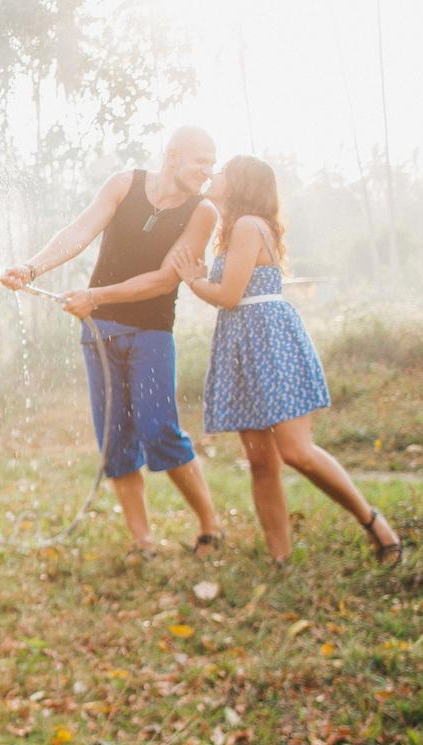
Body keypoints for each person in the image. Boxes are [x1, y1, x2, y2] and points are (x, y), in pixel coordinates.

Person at [0, 126, 223, 557]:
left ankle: (211, 527)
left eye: (212, 164)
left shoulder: (203, 211)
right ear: (173, 155)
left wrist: (96, 296)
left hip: (152, 332)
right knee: (115, 438)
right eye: (201, 161)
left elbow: (163, 279)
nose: (208, 172)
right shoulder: (125, 184)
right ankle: (143, 542)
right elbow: (79, 231)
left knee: (159, 429)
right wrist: (30, 269)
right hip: (99, 332)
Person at [170, 155, 403, 565]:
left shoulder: (246, 226)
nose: (213, 173)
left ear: (239, 182)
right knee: (260, 461)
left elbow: (227, 296)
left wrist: (194, 280)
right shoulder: (233, 229)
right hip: (243, 345)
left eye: (222, 169)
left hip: (270, 343)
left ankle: (373, 522)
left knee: (297, 451)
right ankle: (280, 559)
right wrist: (202, 277)